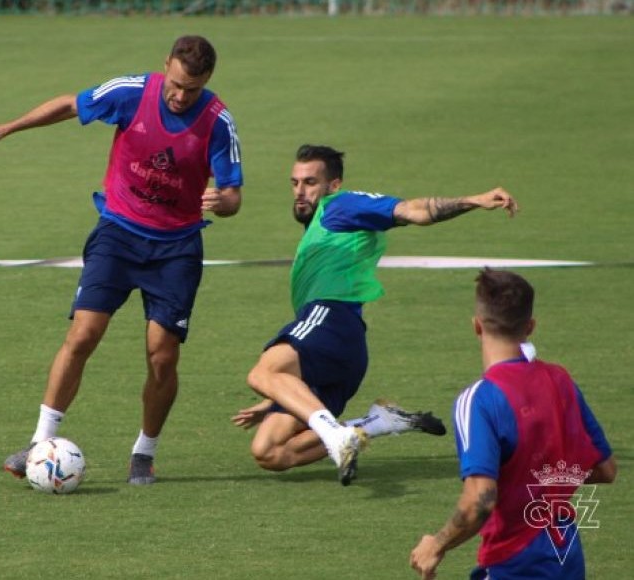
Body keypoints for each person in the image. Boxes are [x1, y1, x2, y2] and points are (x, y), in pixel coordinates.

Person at [0, 35, 243, 485]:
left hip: (175, 248)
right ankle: (39, 443)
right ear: (166, 67)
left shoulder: (218, 122)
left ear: (207, 81)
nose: (180, 96)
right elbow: (69, 105)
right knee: (83, 333)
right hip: (118, 234)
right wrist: (8, 127)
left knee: (162, 356)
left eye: (191, 89)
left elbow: (234, 195)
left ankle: (144, 453)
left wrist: (223, 202)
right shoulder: (132, 92)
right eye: (175, 84)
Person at [232, 144, 517, 486]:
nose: (299, 191)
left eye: (309, 182)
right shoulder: (322, 225)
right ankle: (375, 423)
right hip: (340, 349)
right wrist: (277, 395)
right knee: (269, 452)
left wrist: (474, 200)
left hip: (331, 318)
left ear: (333, 184)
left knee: (262, 371)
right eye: (294, 183)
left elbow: (411, 210)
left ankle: (336, 435)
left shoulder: (340, 205)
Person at [410, 269, 616, 579]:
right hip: (566, 554)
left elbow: (480, 500)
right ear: (530, 326)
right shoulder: (559, 380)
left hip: (516, 561)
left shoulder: (479, 400)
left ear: (477, 326)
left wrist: (436, 544)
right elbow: (605, 468)